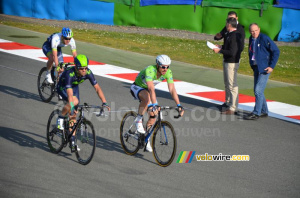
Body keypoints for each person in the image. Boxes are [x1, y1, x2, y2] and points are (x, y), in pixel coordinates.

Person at [130, 55, 184, 152]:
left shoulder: (168, 72)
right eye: (163, 67)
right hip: (137, 87)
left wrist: (179, 105)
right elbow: (151, 88)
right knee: (147, 98)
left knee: (153, 116)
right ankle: (138, 119)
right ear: (158, 65)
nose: (165, 69)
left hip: (149, 91)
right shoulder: (150, 70)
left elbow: (172, 89)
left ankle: (146, 140)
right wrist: (154, 104)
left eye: (167, 67)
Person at [56, 54, 110, 151]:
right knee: (74, 102)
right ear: (76, 67)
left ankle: (72, 141)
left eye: (86, 68)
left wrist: (104, 102)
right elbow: (69, 93)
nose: (84, 70)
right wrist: (71, 106)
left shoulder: (88, 72)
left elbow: (97, 88)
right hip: (63, 87)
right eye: (81, 68)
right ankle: (60, 118)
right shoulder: (70, 74)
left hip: (74, 86)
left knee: (74, 117)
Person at [245, 23, 280, 120]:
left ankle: (256, 113)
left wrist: (271, 66)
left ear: (259, 29)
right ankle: (264, 111)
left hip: (265, 68)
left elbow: (276, 51)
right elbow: (251, 51)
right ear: (250, 32)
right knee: (258, 90)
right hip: (256, 67)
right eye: (252, 31)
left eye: (256, 30)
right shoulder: (251, 38)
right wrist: (252, 63)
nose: (254, 32)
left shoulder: (265, 38)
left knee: (258, 90)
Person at [214, 11, 245, 112]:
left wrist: (220, 51)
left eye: (227, 23)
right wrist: (221, 47)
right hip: (227, 59)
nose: (226, 25)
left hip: (232, 61)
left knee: (232, 84)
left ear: (230, 25)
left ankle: (233, 107)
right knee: (227, 83)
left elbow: (233, 51)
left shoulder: (236, 34)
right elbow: (228, 46)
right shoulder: (229, 33)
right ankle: (228, 103)